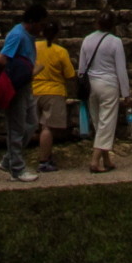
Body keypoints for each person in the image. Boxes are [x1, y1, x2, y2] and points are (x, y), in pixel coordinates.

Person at [0, 1, 46, 182]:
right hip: (16, 86)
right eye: (41, 24)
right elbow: (1, 60)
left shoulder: (29, 36)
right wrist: (19, 73)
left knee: (31, 123)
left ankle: (9, 159)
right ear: (32, 22)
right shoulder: (17, 35)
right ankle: (17, 169)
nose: (42, 28)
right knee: (16, 128)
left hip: (26, 85)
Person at [77, 11, 130, 174]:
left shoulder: (87, 39)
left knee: (98, 121)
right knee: (106, 122)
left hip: (91, 83)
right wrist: (126, 92)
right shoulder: (115, 42)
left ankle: (106, 159)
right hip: (109, 83)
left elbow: (81, 67)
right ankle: (95, 159)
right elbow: (121, 69)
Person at [32, 20, 76, 171]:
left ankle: (44, 154)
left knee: (38, 126)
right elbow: (70, 74)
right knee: (47, 128)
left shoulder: (34, 47)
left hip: (34, 89)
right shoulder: (60, 51)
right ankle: (44, 160)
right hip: (54, 91)